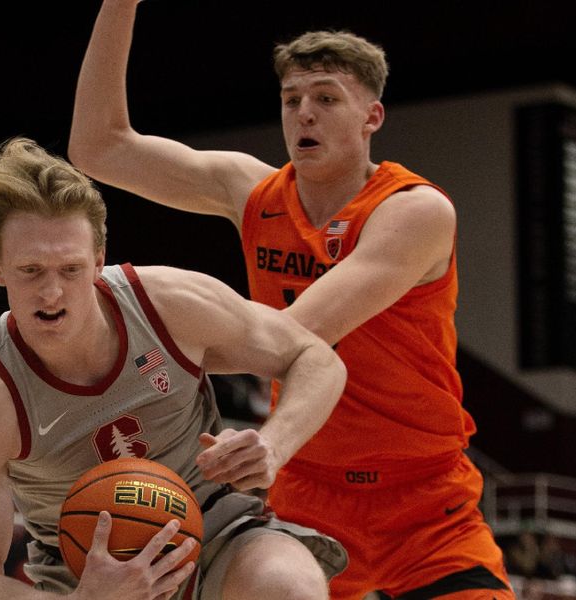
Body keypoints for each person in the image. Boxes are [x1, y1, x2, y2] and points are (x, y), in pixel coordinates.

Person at [68, 2, 515, 599]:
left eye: (327, 98)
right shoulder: (252, 192)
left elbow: (292, 336)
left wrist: (150, 360)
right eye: (291, 99)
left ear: (371, 116)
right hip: (307, 487)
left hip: (423, 496)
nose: (304, 113)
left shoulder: (415, 211)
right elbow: (99, 147)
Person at [0, 136, 348, 600]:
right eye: (31, 270)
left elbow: (316, 358)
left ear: (98, 261)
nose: (51, 293)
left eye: (70, 270)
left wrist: (274, 444)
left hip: (214, 531)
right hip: (83, 577)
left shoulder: (168, 305)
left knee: (287, 586)